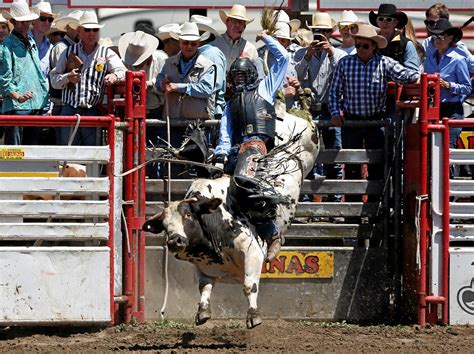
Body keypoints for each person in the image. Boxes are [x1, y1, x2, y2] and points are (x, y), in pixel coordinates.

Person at [214, 32, 289, 262]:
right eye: (235, 78)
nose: (239, 82)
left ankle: (272, 231)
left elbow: (284, 59)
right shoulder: (230, 103)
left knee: (244, 181)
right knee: (218, 190)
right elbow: (225, 132)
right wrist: (220, 153)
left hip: (257, 144)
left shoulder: (265, 88)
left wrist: (266, 38)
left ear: (252, 74)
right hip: (237, 149)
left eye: (242, 77)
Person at [329, 24, 420, 202]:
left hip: (375, 121)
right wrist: (335, 112)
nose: (360, 49)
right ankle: (353, 209)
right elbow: (334, 91)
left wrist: (420, 76)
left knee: (377, 165)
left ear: (374, 47)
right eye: (358, 45)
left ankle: (375, 207)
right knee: (352, 165)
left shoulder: (384, 63)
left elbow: (407, 74)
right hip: (351, 121)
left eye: (365, 46)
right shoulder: (345, 63)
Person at [50, 11, 126, 146]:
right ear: (79, 31)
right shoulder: (68, 51)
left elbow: (123, 71)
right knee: (67, 151)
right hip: (70, 108)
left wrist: (114, 75)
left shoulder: (106, 53)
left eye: (95, 30)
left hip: (92, 109)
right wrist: (68, 77)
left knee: (92, 153)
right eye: (87, 29)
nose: (91, 33)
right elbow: (54, 79)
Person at [295, 12, 346, 203]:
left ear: (331, 32)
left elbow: (343, 77)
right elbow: (296, 76)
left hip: (330, 107)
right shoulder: (302, 53)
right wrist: (308, 55)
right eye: (317, 31)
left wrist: (331, 54)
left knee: (334, 155)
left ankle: (334, 200)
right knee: (307, 156)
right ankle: (307, 201)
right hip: (307, 108)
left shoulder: (339, 54)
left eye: (324, 31)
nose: (320, 35)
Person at [156, 22, 216, 177]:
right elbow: (158, 84)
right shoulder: (169, 63)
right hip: (174, 122)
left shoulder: (207, 65)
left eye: (193, 43)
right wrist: (162, 84)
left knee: (197, 167)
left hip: (197, 125)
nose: (189, 46)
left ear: (198, 44)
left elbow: (206, 89)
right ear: (180, 43)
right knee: (173, 165)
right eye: (186, 42)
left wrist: (178, 87)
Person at [0, 0, 49, 145]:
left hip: (36, 102)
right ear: (13, 22)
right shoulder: (6, 47)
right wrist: (18, 97)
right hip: (17, 106)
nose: (25, 24)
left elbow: (37, 71)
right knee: (15, 153)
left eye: (27, 21)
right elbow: (4, 80)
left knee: (32, 152)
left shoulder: (31, 42)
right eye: (21, 22)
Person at [423, 19, 471, 152]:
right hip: (432, 108)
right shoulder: (429, 59)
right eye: (435, 36)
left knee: (448, 147)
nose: (437, 40)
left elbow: (467, 88)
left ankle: (447, 173)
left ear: (450, 38)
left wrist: (448, 85)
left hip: (451, 109)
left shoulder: (458, 60)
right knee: (431, 147)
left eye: (441, 36)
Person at [190, 15, 227, 120]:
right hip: (204, 109)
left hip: (210, 110)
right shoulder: (209, 53)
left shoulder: (212, 54)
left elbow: (215, 86)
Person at [48, 10, 83, 116]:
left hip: (70, 102)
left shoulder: (74, 47)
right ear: (67, 28)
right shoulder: (61, 47)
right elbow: (59, 75)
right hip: (62, 102)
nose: (79, 30)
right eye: (76, 27)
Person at [422, 3, 474, 74]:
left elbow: (472, 68)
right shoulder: (426, 43)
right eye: (426, 23)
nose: (428, 26)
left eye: (431, 23)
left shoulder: (458, 47)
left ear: (444, 22)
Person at [369, 3, 420, 71]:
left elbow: (413, 70)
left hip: (399, 80)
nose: (384, 22)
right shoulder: (371, 42)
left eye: (389, 19)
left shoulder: (406, 44)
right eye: (381, 19)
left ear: (396, 22)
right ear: (377, 21)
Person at [211, 4, 258, 72]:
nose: (237, 25)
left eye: (241, 22)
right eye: (234, 20)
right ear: (227, 22)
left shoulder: (251, 49)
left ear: (244, 26)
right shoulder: (214, 44)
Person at [30, 1, 56, 77]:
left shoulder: (51, 48)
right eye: (43, 18)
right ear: (33, 20)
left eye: (50, 19)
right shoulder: (21, 41)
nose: (47, 22)